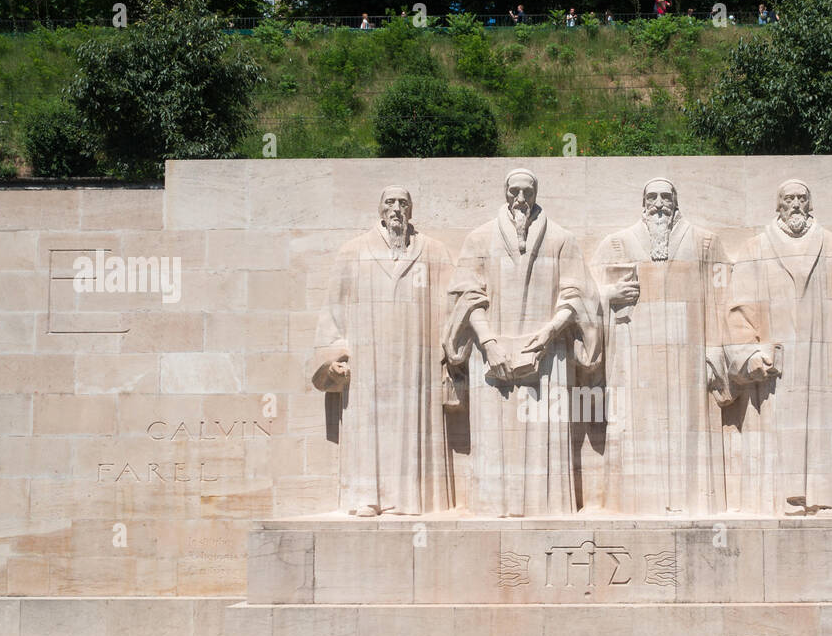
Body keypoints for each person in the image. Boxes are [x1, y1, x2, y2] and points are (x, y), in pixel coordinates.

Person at [443, 170, 603, 516]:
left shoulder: (562, 239)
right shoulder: (479, 239)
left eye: (526, 192)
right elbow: (467, 296)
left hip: (549, 356)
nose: (520, 199)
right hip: (491, 355)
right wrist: (488, 342)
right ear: (505, 194)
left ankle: (547, 509)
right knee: (494, 441)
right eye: (514, 192)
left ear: (535, 194)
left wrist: (549, 333)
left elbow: (578, 295)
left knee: (544, 439)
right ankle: (492, 509)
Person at [724, 180, 832, 516]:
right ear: (778, 205)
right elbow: (738, 309)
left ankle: (830, 498)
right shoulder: (756, 248)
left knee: (828, 425)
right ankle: (783, 499)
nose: (795, 204)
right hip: (779, 362)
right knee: (780, 427)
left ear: (810, 204)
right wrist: (750, 354)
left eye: (802, 198)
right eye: (788, 198)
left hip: (825, 358)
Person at [588, 178, 733, 514]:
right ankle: (630, 505)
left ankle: (695, 504)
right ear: (643, 203)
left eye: (665, 197)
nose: (658, 204)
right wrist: (608, 295)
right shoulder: (616, 244)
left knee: (690, 429)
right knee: (633, 425)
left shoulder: (704, 243)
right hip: (632, 358)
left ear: (675, 202)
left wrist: (715, 348)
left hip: (690, 358)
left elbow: (725, 298)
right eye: (651, 197)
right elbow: (583, 295)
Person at [312, 186, 459, 515]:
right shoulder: (353, 252)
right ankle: (368, 497)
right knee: (370, 426)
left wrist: (449, 357)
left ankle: (408, 500)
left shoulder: (433, 252)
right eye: (390, 203)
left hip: (416, 362)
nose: (397, 209)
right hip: (369, 362)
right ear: (380, 210)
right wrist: (333, 359)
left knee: (411, 427)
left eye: (403, 203)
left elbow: (453, 305)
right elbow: (332, 311)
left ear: (411, 210)